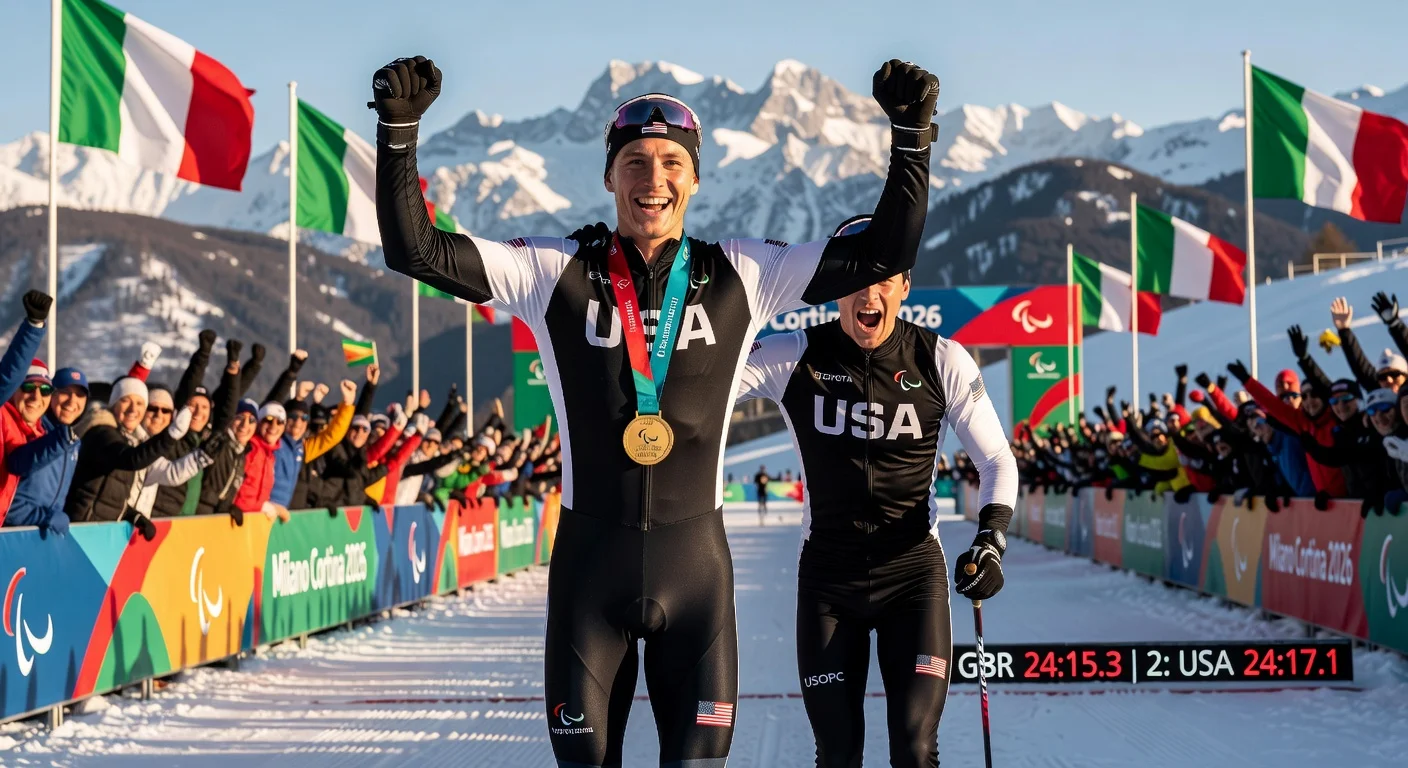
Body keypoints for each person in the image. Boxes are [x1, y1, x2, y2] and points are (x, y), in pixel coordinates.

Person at [374, 53, 937, 766]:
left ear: (695, 179)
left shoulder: (743, 273)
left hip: (695, 573)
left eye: (673, 162)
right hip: (589, 578)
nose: (654, 179)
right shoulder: (554, 270)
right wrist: (399, 134)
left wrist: (911, 140)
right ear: (608, 176)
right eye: (635, 162)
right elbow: (416, 251)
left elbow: (882, 253)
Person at [736, 222, 1016, 768]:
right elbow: (701, 385)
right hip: (829, 580)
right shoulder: (794, 353)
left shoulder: (941, 359)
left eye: (884, 278)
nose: (870, 294)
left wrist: (991, 541)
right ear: (834, 286)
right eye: (857, 278)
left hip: (912, 577)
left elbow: (996, 460)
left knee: (914, 747)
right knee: (838, 753)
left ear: (905, 285)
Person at [4, 368, 88, 534]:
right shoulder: (33, 432)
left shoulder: (73, 442)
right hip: (12, 537)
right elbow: (9, 505)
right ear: (51, 395)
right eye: (65, 392)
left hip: (42, 538)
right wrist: (45, 518)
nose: (72, 401)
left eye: (79, 395)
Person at [0, 290, 52, 526]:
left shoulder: (46, 434)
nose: (36, 396)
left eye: (45, 390)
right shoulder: (3, 416)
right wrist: (33, 326)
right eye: (28, 386)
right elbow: (7, 375)